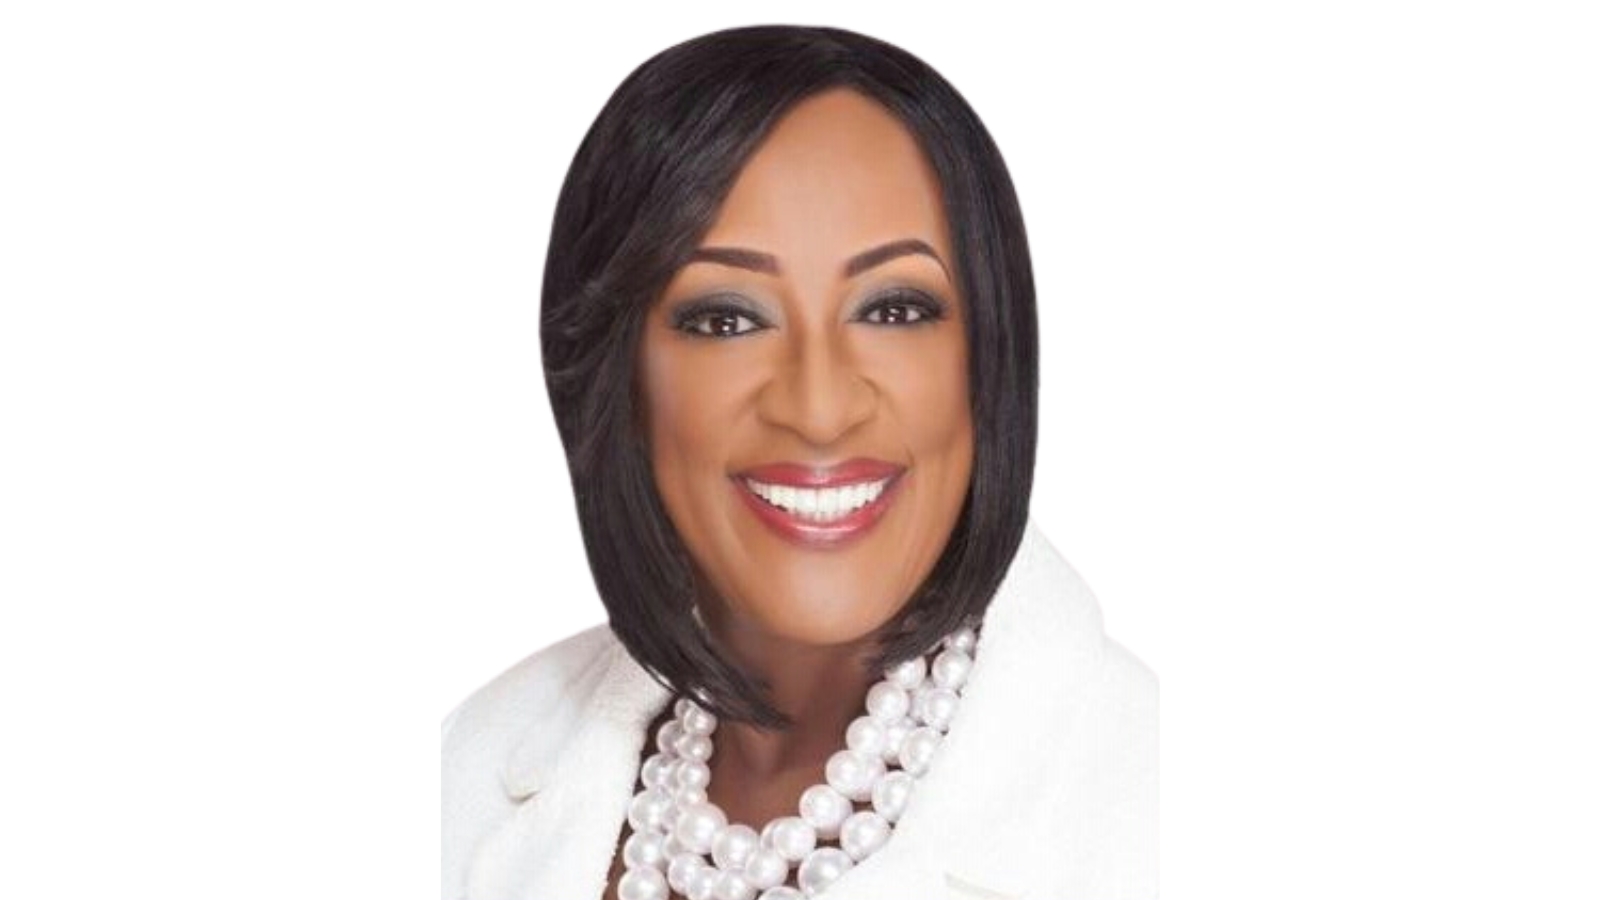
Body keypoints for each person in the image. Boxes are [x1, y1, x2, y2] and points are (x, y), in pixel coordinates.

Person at [443, 24, 1156, 900]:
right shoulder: (467, 767)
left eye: (893, 310)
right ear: (617, 375)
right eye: (726, 319)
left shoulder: (1153, 806)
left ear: (988, 357)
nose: (818, 408)